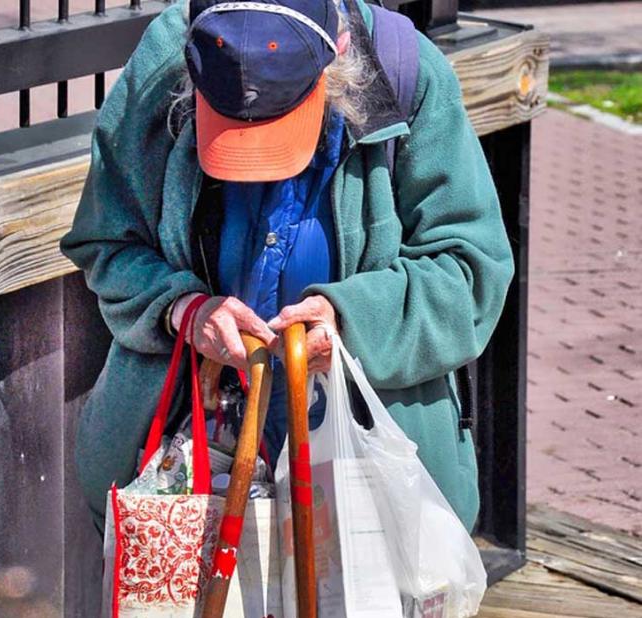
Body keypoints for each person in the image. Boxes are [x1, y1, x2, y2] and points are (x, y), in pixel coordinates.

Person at [59, 0, 515, 535]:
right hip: (192, 461)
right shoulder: (166, 59)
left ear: (338, 55)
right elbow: (108, 241)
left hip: (370, 471)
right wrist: (184, 310)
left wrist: (350, 321)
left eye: (280, 123)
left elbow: (470, 272)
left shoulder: (406, 70)